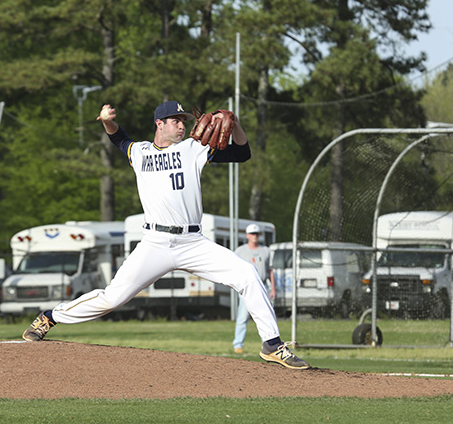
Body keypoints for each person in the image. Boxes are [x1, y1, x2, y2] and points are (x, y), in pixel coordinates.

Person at [23, 100, 309, 369]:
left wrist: (235, 127)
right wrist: (107, 122)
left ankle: (272, 344)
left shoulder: (194, 149)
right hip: (155, 243)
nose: (182, 126)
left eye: (184, 121)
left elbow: (242, 153)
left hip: (193, 242)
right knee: (112, 298)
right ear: (159, 124)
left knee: (247, 275)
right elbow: (119, 138)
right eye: (175, 120)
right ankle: (49, 318)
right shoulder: (141, 152)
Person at [232, 223, 274, 354]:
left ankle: (267, 344)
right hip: (246, 286)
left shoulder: (266, 250)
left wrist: (273, 288)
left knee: (264, 316)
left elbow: (270, 270)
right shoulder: (240, 251)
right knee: (243, 317)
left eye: (256, 234)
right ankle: (238, 344)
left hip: (262, 285)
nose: (254, 236)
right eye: (252, 234)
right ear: (247, 235)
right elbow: (234, 269)